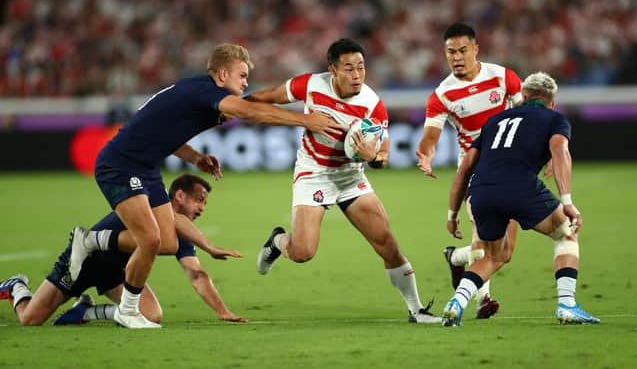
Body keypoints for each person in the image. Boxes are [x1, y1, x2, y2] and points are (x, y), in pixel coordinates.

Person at [67, 43, 344, 328]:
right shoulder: (207, 92)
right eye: (242, 75)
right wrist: (306, 120)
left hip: (145, 166)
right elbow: (251, 113)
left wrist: (195, 157)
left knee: (167, 242)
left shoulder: (200, 95)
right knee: (150, 239)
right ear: (223, 74)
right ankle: (127, 309)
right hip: (120, 164)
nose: (246, 82)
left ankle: (90, 240)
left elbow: (163, 131)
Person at [250, 38, 440, 323]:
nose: (357, 75)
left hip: (351, 177)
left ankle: (416, 310)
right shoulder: (310, 85)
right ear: (333, 70)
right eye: (349, 68)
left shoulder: (372, 105)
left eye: (361, 68)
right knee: (302, 253)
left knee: (386, 242)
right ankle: (278, 242)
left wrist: (371, 156)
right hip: (313, 173)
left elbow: (383, 156)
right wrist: (237, 106)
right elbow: (267, 97)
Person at [440, 72, 600, 326]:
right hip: (518, 185)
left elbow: (465, 167)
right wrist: (566, 200)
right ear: (552, 102)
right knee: (566, 232)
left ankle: (455, 302)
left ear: (523, 97)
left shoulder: (495, 120)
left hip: (481, 190)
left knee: (492, 256)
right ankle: (567, 305)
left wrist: (452, 214)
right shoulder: (555, 119)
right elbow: (560, 151)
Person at [0, 174, 247, 326]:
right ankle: (16, 286)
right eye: (199, 199)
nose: (203, 208)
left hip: (116, 273)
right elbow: (172, 218)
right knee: (30, 319)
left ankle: (87, 312)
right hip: (84, 261)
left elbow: (196, 274)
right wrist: (209, 246)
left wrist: (222, 311)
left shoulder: (182, 231)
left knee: (152, 316)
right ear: (180, 195)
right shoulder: (148, 206)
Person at [416, 23, 523, 319]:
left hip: (513, 170)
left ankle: (455, 256)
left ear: (476, 49)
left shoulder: (503, 77)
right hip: (477, 173)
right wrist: (426, 153)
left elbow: (529, 116)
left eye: (463, 50)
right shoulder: (442, 95)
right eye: (451, 52)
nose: (457, 57)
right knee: (487, 241)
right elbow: (430, 136)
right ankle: (480, 300)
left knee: (502, 252)